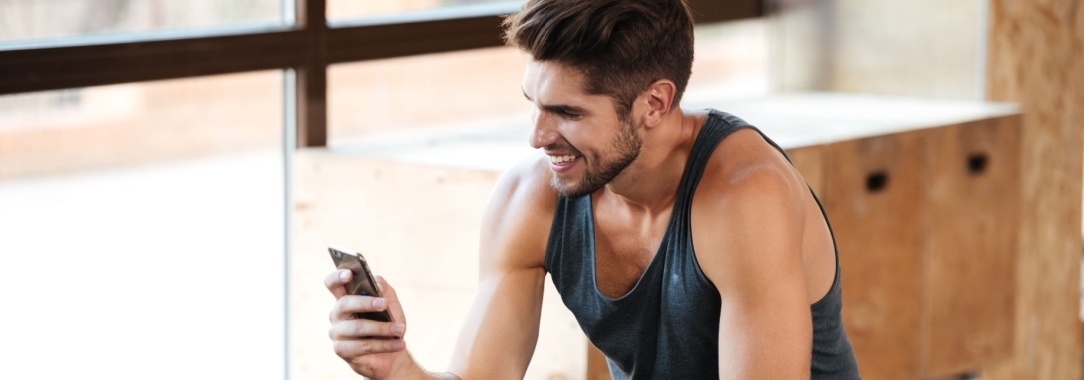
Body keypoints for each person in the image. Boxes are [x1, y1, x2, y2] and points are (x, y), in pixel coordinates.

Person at [325, 0, 861, 378]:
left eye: (568, 113)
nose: (537, 137)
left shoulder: (744, 198)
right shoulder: (531, 197)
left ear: (654, 103)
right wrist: (398, 369)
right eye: (534, 104)